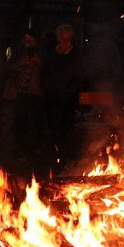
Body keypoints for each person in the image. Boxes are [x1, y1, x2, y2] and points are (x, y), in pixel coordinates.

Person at [3, 29, 46, 163]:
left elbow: (48, 71)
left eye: (30, 40)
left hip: (36, 93)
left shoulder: (41, 54)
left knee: (34, 122)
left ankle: (34, 149)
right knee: (20, 122)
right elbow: (8, 67)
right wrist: (18, 64)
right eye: (26, 40)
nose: (28, 43)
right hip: (20, 93)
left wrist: (39, 63)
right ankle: (21, 149)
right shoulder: (17, 54)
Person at [42, 24, 83, 164]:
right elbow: (45, 74)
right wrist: (47, 89)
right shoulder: (51, 54)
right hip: (51, 98)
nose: (64, 42)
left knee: (66, 130)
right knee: (53, 129)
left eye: (67, 39)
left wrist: (69, 92)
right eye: (62, 38)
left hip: (67, 100)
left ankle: (65, 158)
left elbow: (78, 78)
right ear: (58, 38)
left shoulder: (75, 56)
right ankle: (54, 158)